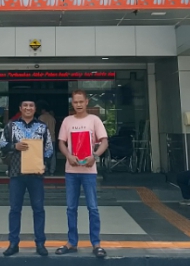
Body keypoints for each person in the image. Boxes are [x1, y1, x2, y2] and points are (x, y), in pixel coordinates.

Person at [57, 89, 109, 258]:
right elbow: (61, 142)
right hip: (71, 171)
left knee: (92, 208)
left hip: (89, 171)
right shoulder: (67, 121)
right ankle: (72, 242)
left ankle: (96, 243)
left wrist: (95, 156)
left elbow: (104, 141)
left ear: (87, 102)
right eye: (75, 102)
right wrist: (68, 156)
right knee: (71, 208)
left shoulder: (94, 120)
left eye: (81, 101)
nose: (78, 104)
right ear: (72, 103)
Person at [0, 98, 53, 257]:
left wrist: (44, 163)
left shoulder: (42, 127)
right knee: (15, 209)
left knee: (39, 209)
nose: (28, 108)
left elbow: (49, 148)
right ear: (20, 108)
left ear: (35, 109)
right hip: (16, 173)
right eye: (25, 105)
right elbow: (0, 144)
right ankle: (13, 243)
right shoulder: (11, 126)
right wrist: (13, 146)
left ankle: (40, 243)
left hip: (36, 174)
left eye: (31, 105)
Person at [37, 100, 57, 175]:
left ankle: (45, 169)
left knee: (42, 154)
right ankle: (52, 170)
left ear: (43, 110)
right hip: (52, 138)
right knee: (53, 155)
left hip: (43, 139)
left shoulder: (40, 117)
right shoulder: (52, 118)